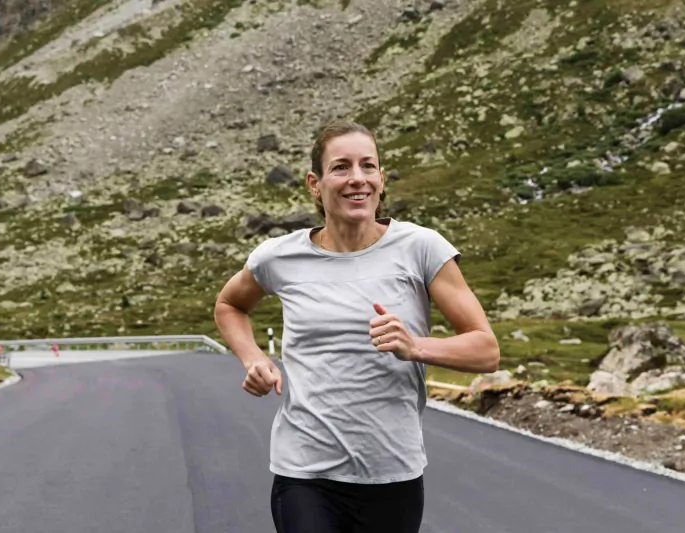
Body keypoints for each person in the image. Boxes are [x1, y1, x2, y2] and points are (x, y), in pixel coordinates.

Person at [213, 120, 500, 533]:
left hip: (392, 472)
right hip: (305, 471)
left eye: (368, 166)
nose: (357, 179)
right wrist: (253, 358)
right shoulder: (279, 257)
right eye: (341, 167)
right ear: (316, 183)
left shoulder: (421, 248)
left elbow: (486, 350)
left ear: (381, 180)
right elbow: (229, 304)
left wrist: (415, 346)